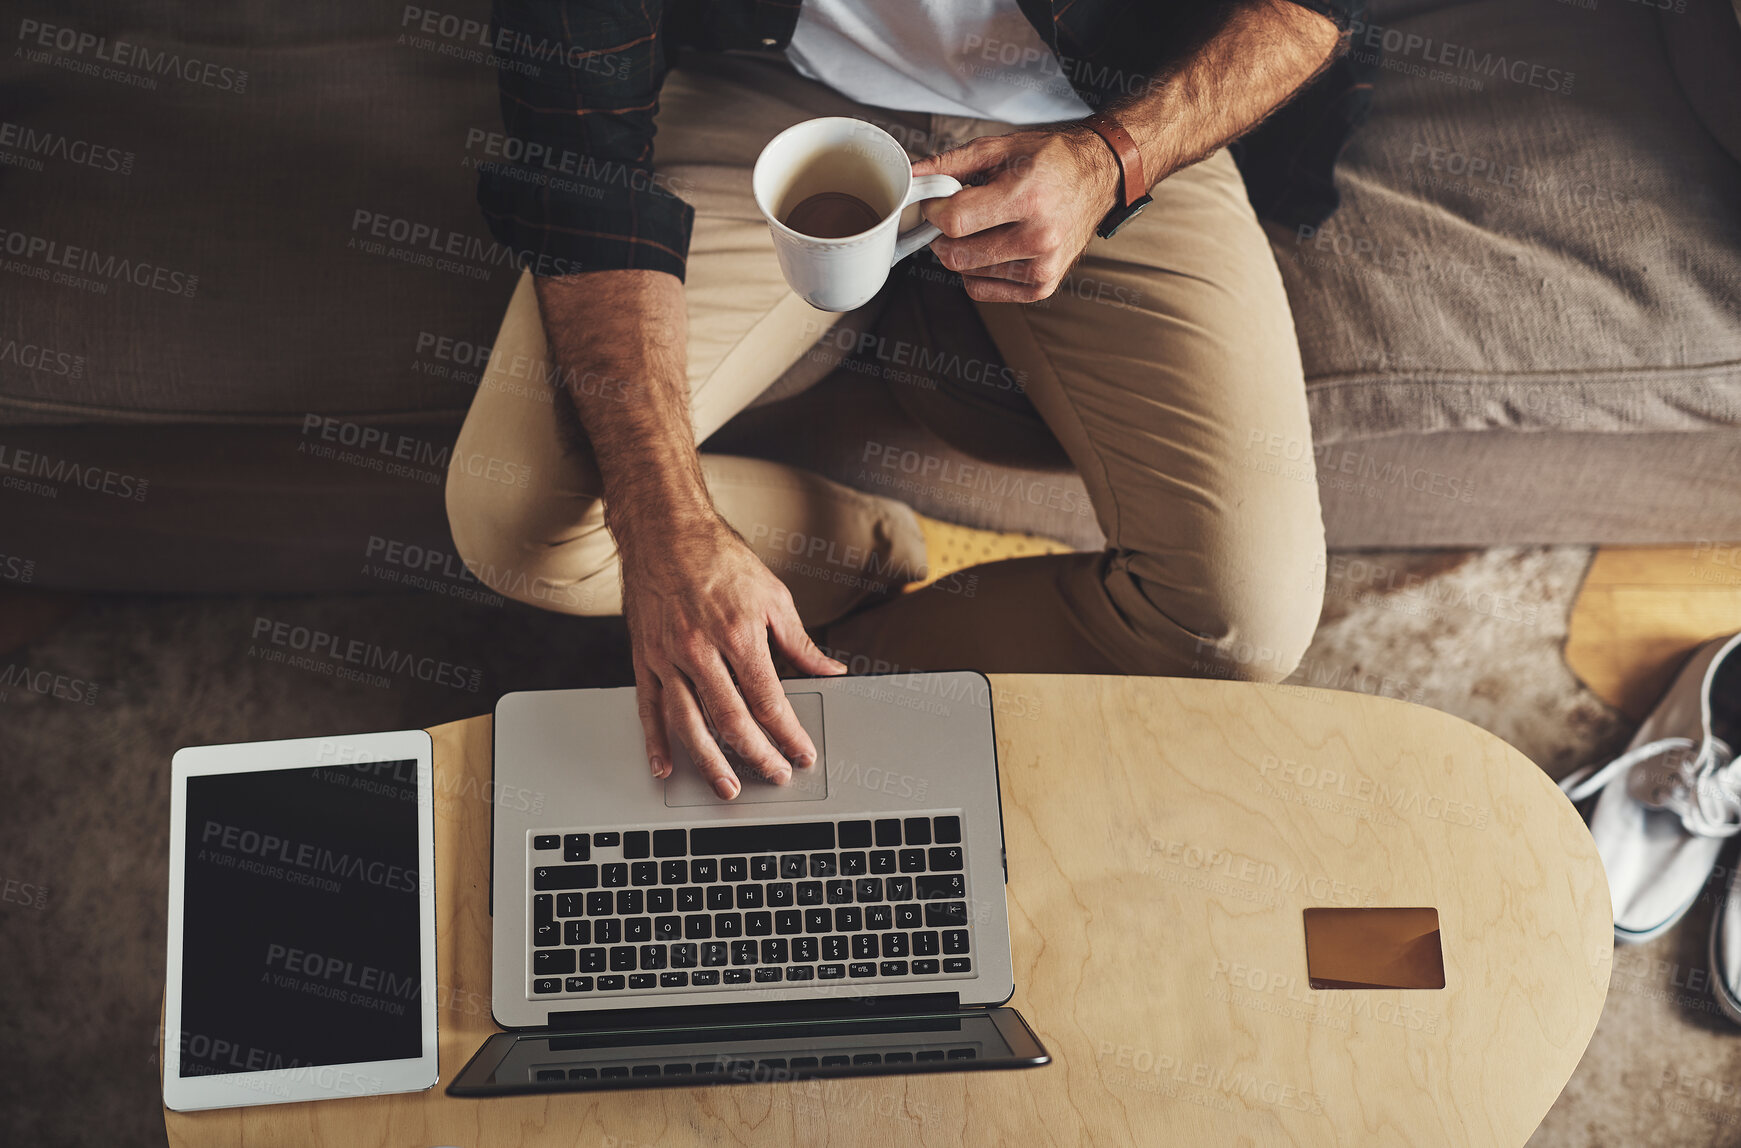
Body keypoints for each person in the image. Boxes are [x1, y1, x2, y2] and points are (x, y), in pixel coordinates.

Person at [447, 0, 1352, 799]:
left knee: (1241, 624)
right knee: (517, 526)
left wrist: (1113, 158)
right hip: (780, 80)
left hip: (1106, 110)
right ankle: (880, 548)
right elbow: (578, 164)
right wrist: (665, 527)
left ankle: (827, 660)